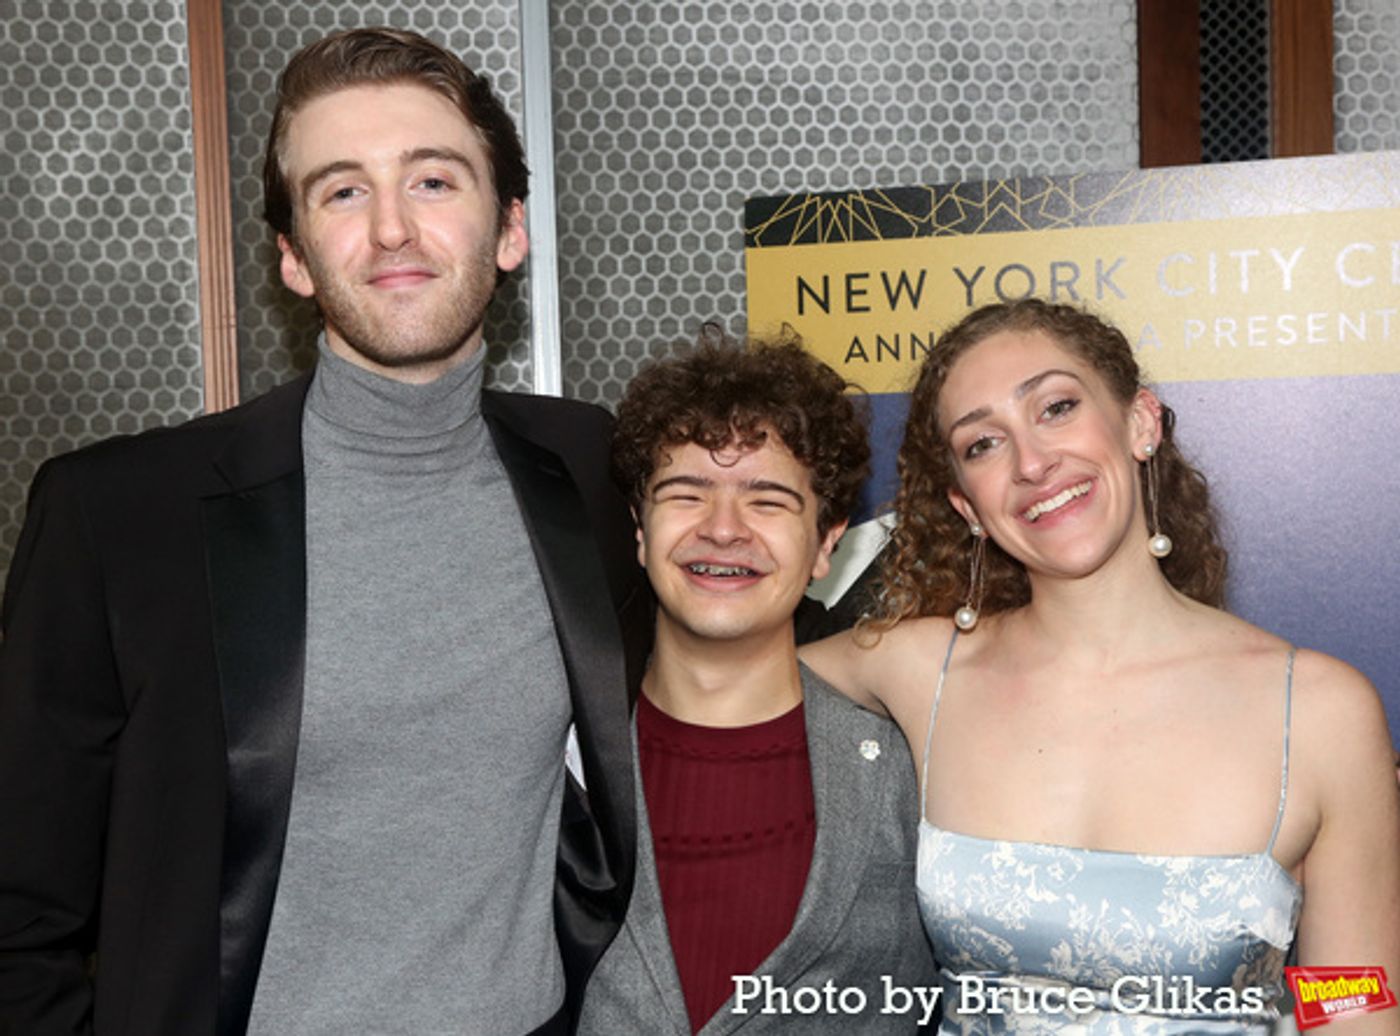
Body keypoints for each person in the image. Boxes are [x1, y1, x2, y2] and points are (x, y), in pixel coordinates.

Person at [0, 28, 649, 1036]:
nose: (392, 230)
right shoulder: (119, 516)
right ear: (294, 258)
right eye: (342, 192)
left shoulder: (590, 468)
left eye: (433, 181)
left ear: (509, 228)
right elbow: (19, 907)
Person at [803, 299, 1400, 1032]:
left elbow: (1354, 1001)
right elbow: (713, 685)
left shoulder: (1316, 711)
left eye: (1056, 407)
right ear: (967, 507)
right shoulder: (916, 671)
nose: (1031, 463)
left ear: (1140, 423)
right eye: (984, 444)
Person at [577, 338, 937, 1035]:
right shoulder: (557, 765)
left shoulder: (910, 775)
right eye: (686, 494)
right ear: (641, 532)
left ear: (827, 544)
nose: (722, 529)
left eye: (767, 501)